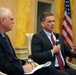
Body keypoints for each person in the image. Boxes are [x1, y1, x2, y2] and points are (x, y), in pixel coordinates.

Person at [0, 7, 35, 75]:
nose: (13, 22)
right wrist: (23, 69)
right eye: (11, 19)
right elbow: (2, 66)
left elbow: (13, 59)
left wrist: (25, 63)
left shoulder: (5, 37)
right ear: (3, 21)